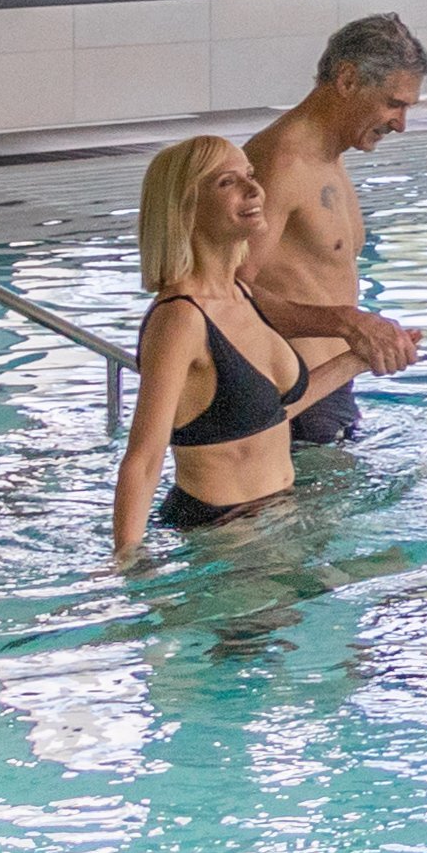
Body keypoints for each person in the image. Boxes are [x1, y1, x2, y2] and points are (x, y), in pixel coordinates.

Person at [111, 134, 335, 563]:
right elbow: (144, 456)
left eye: (250, 176)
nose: (254, 189)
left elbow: (267, 413)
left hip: (277, 518)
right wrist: (128, 562)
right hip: (220, 535)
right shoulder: (180, 319)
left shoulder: (240, 295)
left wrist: (358, 360)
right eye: (226, 182)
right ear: (186, 209)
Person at [236, 11, 427, 449]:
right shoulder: (282, 162)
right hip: (289, 401)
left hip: (326, 391)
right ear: (347, 80)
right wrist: (348, 323)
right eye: (393, 103)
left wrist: (358, 335)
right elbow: (226, 295)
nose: (401, 124)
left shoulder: (328, 154)